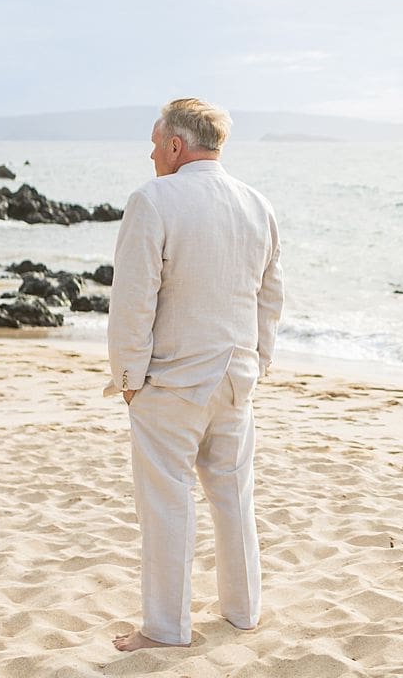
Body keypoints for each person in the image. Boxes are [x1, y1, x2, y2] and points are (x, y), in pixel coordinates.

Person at [106, 98, 284, 651]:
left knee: (166, 504)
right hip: (236, 377)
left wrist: (128, 377)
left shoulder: (152, 199)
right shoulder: (257, 204)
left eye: (155, 143)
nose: (151, 154)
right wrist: (260, 361)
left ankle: (165, 628)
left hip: (171, 381)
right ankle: (243, 612)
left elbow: (133, 298)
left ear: (177, 145)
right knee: (234, 497)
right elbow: (270, 297)